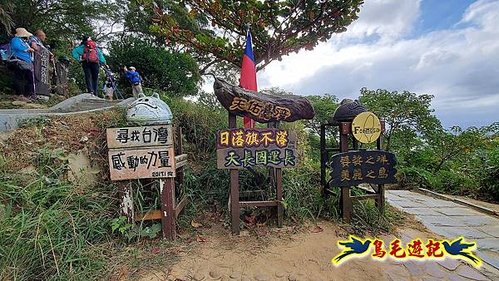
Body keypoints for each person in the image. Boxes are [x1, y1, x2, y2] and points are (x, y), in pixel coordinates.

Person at [9, 27, 36, 101]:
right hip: (19, 61)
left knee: (29, 79)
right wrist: (27, 49)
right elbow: (16, 47)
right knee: (19, 78)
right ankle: (20, 94)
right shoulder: (15, 40)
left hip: (27, 62)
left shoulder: (24, 42)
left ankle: (27, 95)